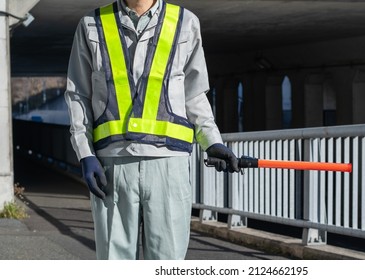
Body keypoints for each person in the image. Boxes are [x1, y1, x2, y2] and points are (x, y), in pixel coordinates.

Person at [65, 0, 239, 260]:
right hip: (112, 165)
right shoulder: (92, 24)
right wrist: (85, 153)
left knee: (167, 264)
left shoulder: (185, 22)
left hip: (169, 165)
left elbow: (194, 94)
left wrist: (212, 141)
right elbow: (78, 93)